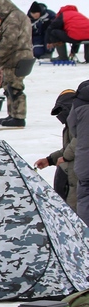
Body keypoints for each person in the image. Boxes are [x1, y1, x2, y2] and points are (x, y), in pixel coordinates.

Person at [0, 0, 34, 127]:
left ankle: (19, 116)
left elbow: (10, 39)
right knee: (9, 85)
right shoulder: (19, 16)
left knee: (14, 87)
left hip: (15, 57)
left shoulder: (14, 18)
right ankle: (13, 114)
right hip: (22, 55)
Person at [36, 90, 77, 211]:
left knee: (75, 210)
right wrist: (50, 160)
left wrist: (65, 158)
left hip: (78, 175)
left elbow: (79, 143)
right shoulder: (70, 125)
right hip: (73, 174)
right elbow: (67, 148)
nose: (60, 115)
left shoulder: (80, 123)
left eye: (61, 111)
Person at [66, 79, 89, 225]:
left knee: (85, 197)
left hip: (85, 161)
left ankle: (85, 236)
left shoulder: (79, 102)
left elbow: (72, 128)